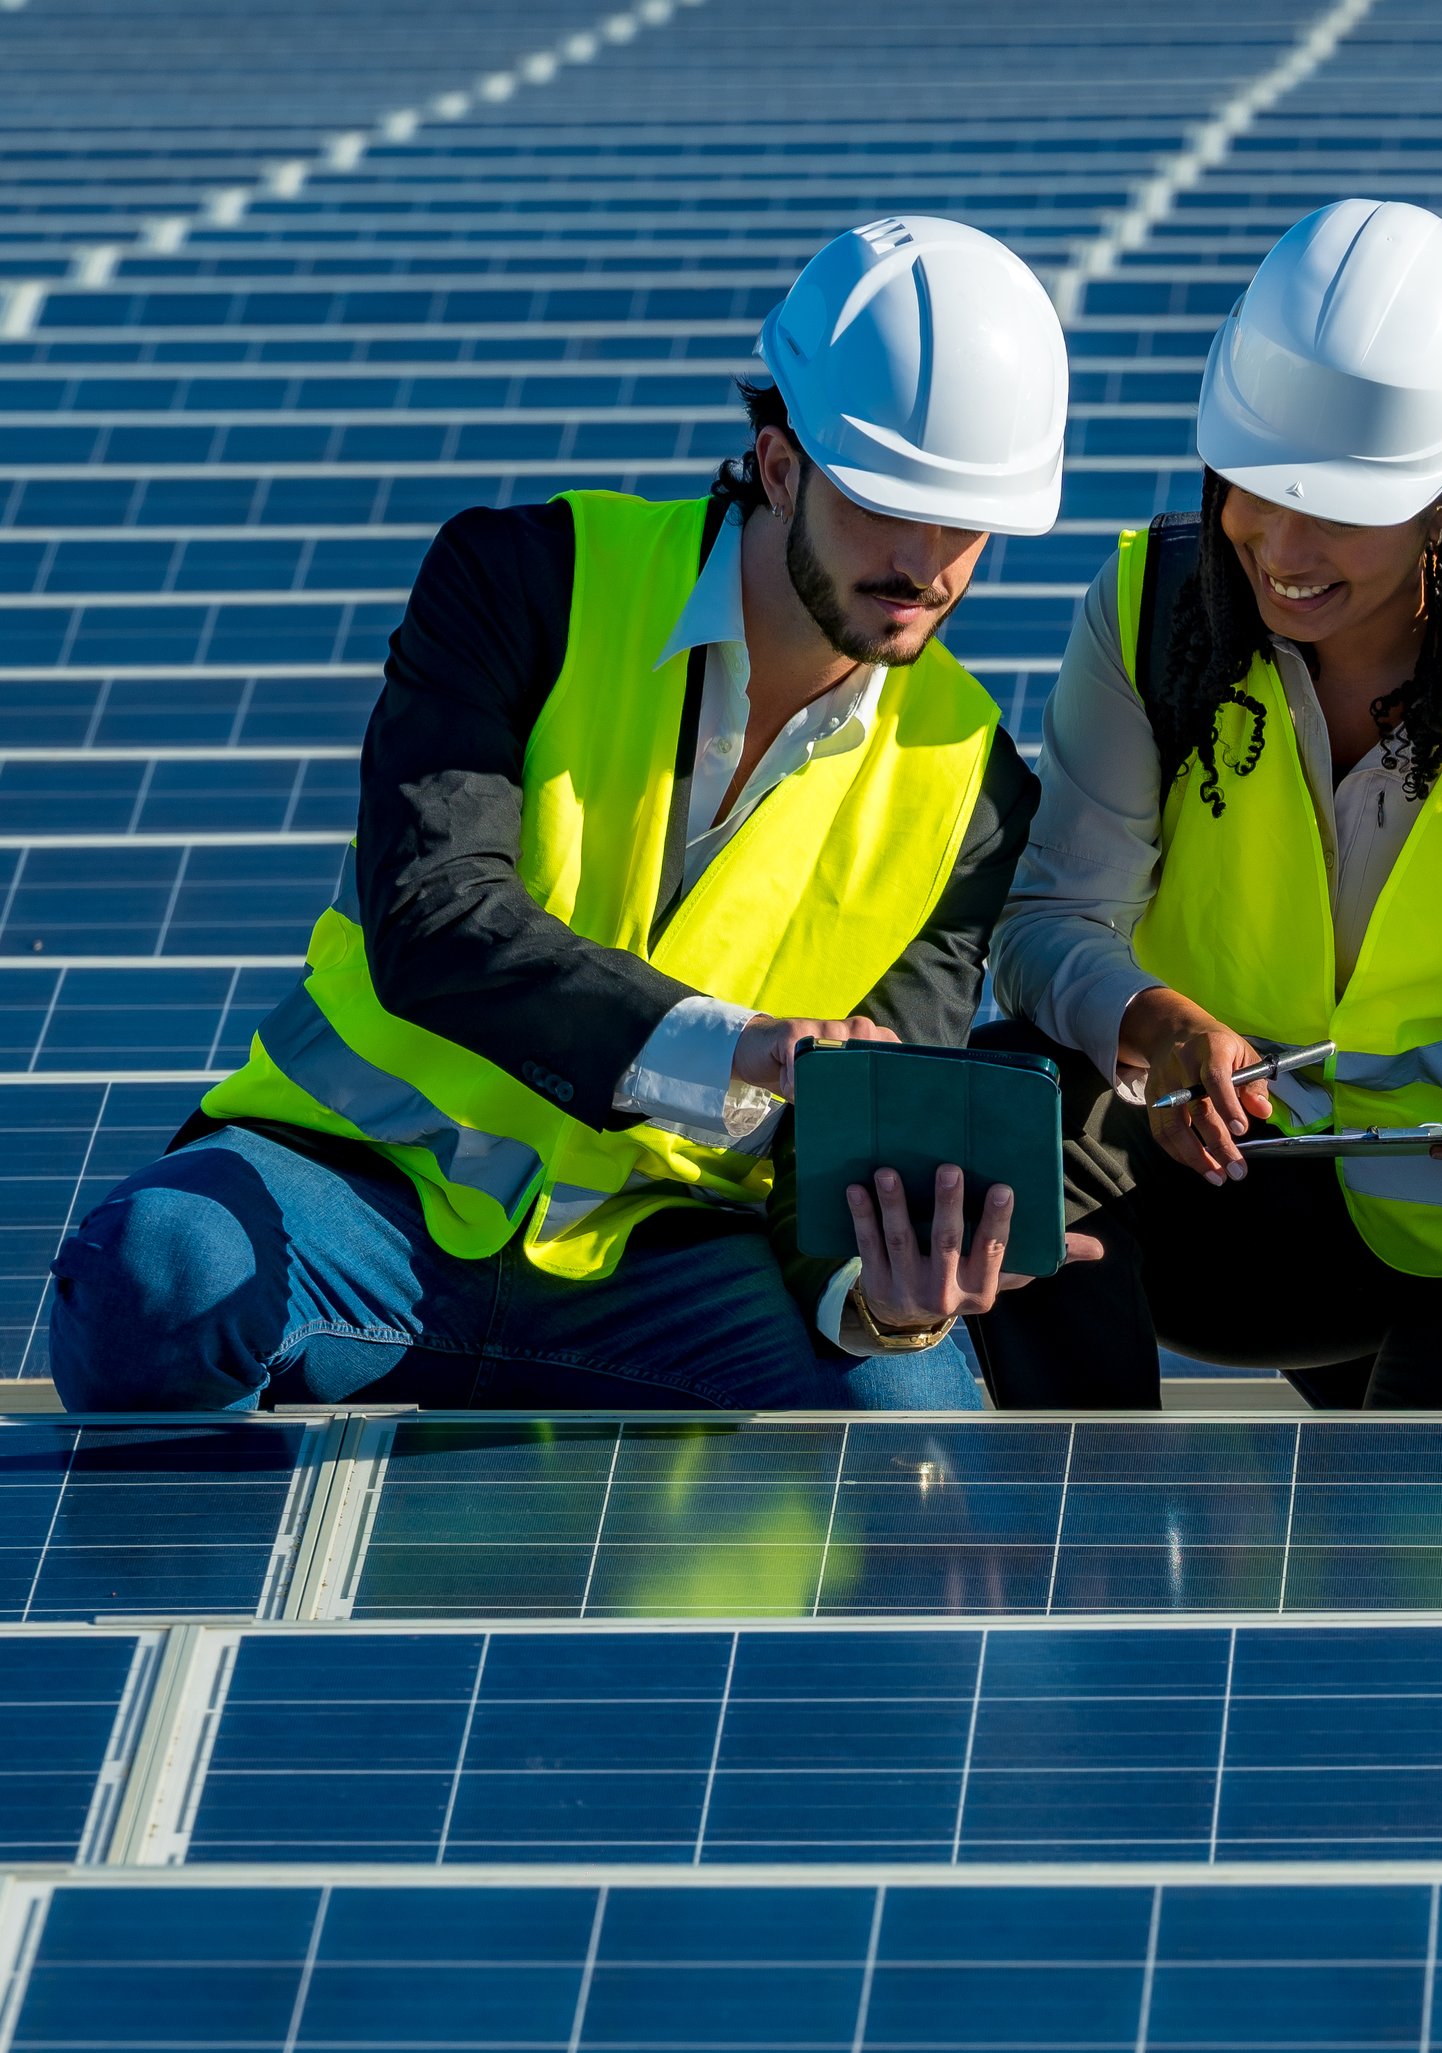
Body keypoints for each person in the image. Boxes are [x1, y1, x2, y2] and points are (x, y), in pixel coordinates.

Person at [48, 215, 1096, 1415]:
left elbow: (854, 1139)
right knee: (159, 1277)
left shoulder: (972, 788)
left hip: (659, 1266)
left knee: (912, 1415)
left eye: (964, 524)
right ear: (779, 461)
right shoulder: (521, 579)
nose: (926, 562)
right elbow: (433, 918)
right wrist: (741, 1047)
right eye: (883, 503)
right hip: (358, 1196)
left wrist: (882, 1298)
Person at [981, 197, 1442, 1411]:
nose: (1275, 540)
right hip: (1255, 1198)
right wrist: (1155, 1025)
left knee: (1399, 1566)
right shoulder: (1155, 617)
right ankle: (1073, 1526)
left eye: (1336, 505)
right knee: (1004, 1109)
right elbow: (1050, 921)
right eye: (1251, 485)